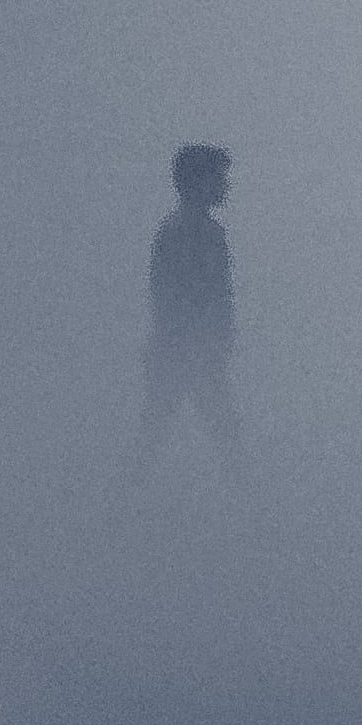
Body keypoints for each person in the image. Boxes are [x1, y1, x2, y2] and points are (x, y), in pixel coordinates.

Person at [140, 143, 244, 478]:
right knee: (224, 437)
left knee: (156, 432)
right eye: (218, 177)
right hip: (185, 352)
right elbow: (178, 298)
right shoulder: (185, 234)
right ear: (198, 181)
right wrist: (202, 345)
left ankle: (124, 494)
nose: (225, 184)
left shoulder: (200, 232)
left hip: (184, 351)